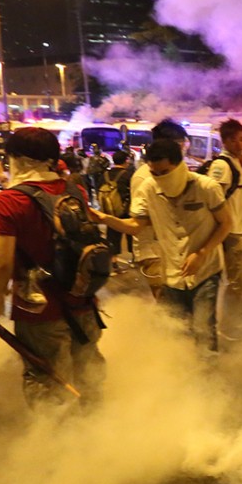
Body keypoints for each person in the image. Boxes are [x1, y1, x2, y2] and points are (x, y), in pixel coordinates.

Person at [0, 127, 105, 410]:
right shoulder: (73, 190)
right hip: (83, 302)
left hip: (40, 313)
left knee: (47, 381)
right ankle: (102, 435)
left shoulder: (7, 202)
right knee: (89, 375)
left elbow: (1, 262)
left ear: (16, 158)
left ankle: (60, 449)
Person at [92, 138, 232, 354]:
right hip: (172, 273)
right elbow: (136, 225)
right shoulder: (149, 188)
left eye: (164, 171)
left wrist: (202, 253)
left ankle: (209, 378)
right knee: (176, 331)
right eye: (154, 173)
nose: (159, 178)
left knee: (204, 329)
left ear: (179, 164)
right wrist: (104, 218)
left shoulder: (206, 187)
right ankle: (183, 374)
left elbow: (226, 224)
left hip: (205, 272)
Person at [207, 119, 242, 333]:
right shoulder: (222, 165)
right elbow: (213, 198)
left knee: (241, 277)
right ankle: (229, 323)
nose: (240, 144)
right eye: (235, 140)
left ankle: (238, 313)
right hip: (231, 231)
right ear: (225, 141)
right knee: (237, 279)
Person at [130, 119, 184, 300]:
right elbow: (140, 220)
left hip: (172, 249)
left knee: (178, 305)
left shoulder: (176, 172)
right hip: (153, 252)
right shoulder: (144, 178)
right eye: (180, 144)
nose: (184, 149)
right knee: (167, 306)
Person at [102, 149, 135, 269]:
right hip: (125, 209)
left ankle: (113, 261)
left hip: (110, 209)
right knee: (130, 233)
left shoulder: (105, 174)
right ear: (125, 161)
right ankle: (133, 258)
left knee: (112, 234)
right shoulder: (128, 174)